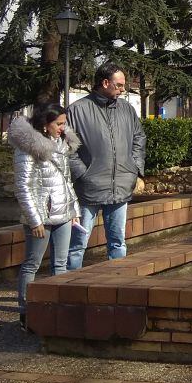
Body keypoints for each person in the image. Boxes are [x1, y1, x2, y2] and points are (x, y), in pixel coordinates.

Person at [66, 61, 146, 270]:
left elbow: (139, 138)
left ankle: (117, 284)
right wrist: (82, 174)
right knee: (77, 244)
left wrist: (135, 169)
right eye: (119, 85)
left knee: (118, 242)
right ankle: (70, 286)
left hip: (121, 184)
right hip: (88, 188)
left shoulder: (127, 109)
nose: (123, 89)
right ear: (105, 83)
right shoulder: (77, 110)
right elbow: (67, 147)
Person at [8, 103, 81, 331]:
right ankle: (25, 313)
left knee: (60, 264)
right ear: (45, 124)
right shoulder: (27, 148)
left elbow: (67, 181)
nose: (63, 127)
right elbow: (22, 186)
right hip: (41, 217)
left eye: (64, 123)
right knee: (32, 264)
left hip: (63, 213)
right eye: (58, 123)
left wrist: (74, 211)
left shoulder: (62, 144)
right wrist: (34, 219)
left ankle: (58, 310)